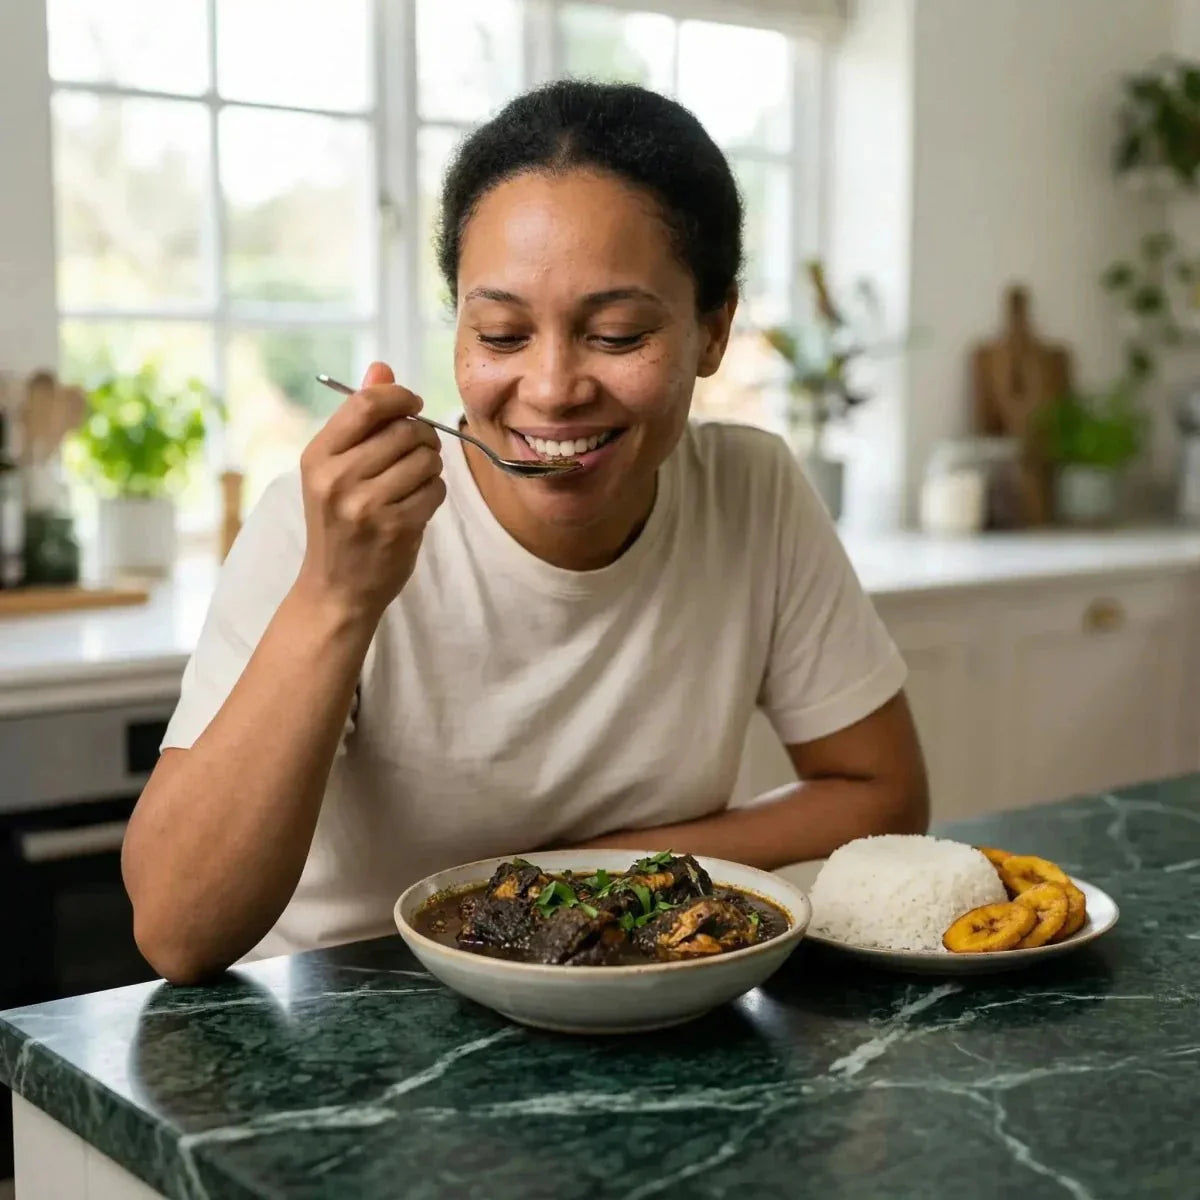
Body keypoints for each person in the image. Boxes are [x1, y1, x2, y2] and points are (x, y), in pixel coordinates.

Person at [123, 80, 928, 985]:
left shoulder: (753, 489)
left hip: (638, 1017)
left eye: (617, 334)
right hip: (348, 1019)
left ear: (714, 330)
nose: (550, 389)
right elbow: (177, 929)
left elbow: (883, 792)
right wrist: (339, 595)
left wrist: (581, 880)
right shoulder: (327, 524)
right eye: (502, 334)